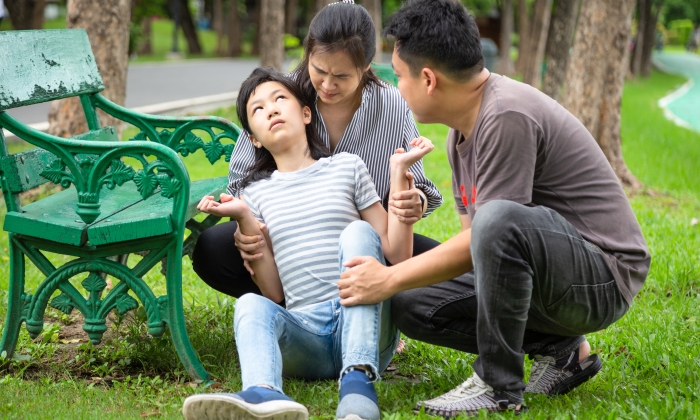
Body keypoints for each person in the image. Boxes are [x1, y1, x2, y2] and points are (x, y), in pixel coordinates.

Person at [337, 0, 651, 417]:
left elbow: (492, 230)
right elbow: (477, 247)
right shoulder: (460, 134)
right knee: (411, 301)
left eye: (399, 77)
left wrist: (388, 276)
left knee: (495, 219)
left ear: (428, 79)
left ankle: (497, 385)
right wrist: (396, 281)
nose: (398, 90)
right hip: (554, 274)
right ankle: (559, 349)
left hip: (603, 277)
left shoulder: (506, 114)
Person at [183, 68, 434, 419]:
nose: (270, 110)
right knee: (250, 303)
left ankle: (358, 386)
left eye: (279, 99)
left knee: (357, 233)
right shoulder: (254, 195)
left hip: (364, 326)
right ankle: (262, 393)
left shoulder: (347, 167)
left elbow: (396, 254)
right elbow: (272, 293)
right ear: (253, 138)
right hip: (307, 338)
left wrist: (399, 175)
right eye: (257, 109)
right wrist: (243, 217)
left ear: (305, 113)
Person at [191, 0, 444, 302]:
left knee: (447, 272)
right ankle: (299, 313)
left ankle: (373, 314)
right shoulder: (282, 99)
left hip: (371, 243)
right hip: (289, 246)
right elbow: (241, 183)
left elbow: (418, 188)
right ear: (308, 53)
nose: (327, 84)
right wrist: (251, 226)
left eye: (342, 77)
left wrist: (414, 201)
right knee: (212, 249)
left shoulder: (391, 104)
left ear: (365, 67)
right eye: (319, 70)